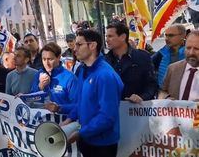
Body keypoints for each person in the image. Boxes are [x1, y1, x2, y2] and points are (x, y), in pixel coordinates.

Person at [62, 29, 123, 157]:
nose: (74, 48)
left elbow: (107, 116)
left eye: (79, 44)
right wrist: (69, 118)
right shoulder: (83, 70)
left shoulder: (105, 75)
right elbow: (80, 102)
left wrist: (82, 133)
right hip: (86, 139)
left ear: (93, 45)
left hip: (103, 144)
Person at [105, 22, 158, 103]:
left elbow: (151, 85)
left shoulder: (142, 57)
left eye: (110, 36)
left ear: (123, 37)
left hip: (137, 111)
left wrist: (141, 97)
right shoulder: (104, 61)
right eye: (106, 36)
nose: (107, 40)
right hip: (112, 110)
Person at [30, 42, 78, 114]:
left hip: (63, 121)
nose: (46, 63)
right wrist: (40, 86)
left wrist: (59, 108)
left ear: (58, 57)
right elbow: (31, 101)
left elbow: (78, 106)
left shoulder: (70, 78)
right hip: (42, 120)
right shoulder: (39, 74)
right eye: (44, 59)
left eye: (50, 59)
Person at [159, 30, 199, 100]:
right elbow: (162, 92)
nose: (191, 53)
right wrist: (166, 98)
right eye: (188, 48)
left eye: (196, 49)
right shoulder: (173, 68)